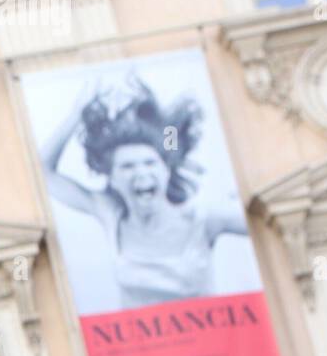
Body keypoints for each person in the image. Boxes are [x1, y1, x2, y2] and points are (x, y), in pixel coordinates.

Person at [39, 73, 248, 309]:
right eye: (127, 166)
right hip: (141, 345)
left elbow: (266, 220)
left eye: (149, 163)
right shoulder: (111, 214)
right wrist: (77, 114)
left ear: (166, 171)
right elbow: (43, 173)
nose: (141, 173)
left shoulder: (203, 217)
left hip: (210, 342)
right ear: (112, 179)